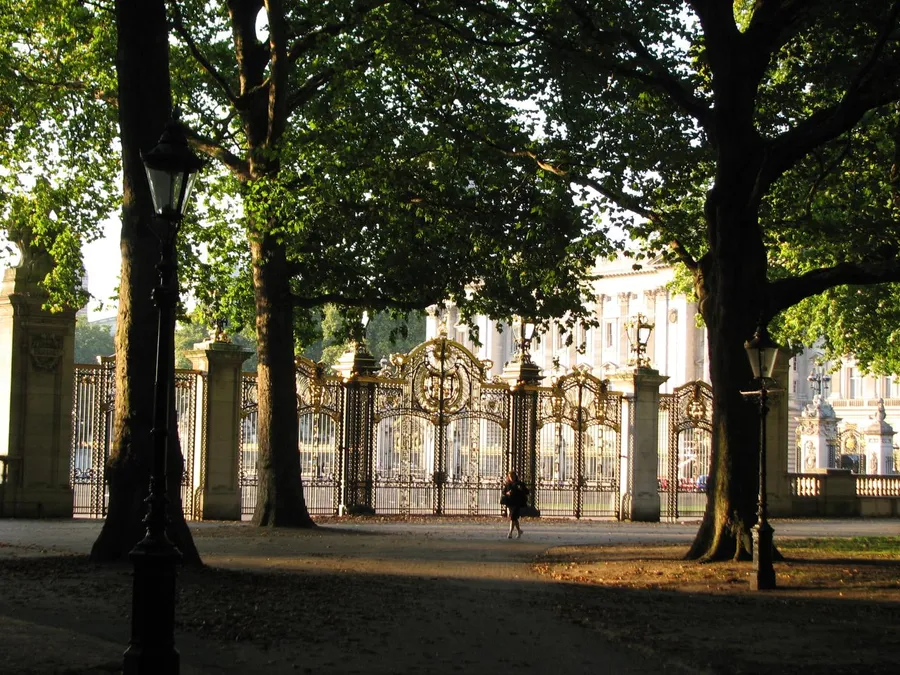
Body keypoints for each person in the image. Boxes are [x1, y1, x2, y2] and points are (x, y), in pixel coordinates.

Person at [500, 471, 529, 539]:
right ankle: (519, 531)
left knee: (512, 517)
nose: (511, 478)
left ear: (515, 476)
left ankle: (510, 532)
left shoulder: (520, 484)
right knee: (514, 518)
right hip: (510, 502)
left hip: (517, 502)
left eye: (513, 476)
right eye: (510, 477)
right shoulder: (508, 484)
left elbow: (527, 491)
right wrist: (507, 493)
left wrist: (521, 489)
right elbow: (504, 492)